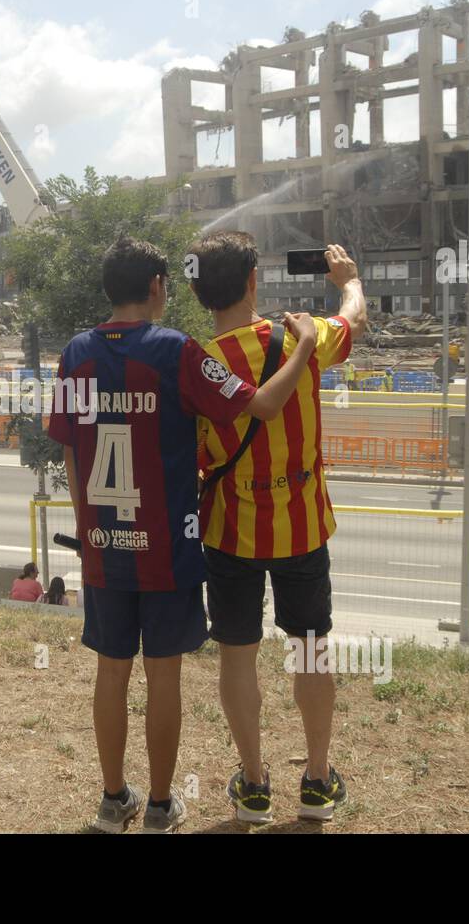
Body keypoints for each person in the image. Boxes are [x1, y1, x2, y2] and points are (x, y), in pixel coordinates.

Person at [48, 237, 317, 834]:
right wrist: (301, 348)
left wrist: (90, 526)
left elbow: (69, 450)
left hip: (103, 546)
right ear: (156, 288)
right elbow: (265, 405)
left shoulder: (73, 355)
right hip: (166, 547)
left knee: (111, 671)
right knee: (162, 672)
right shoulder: (178, 353)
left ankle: (113, 799)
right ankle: (163, 806)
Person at [188, 233, 367, 823]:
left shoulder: (200, 364)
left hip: (228, 534)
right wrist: (348, 281)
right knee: (310, 650)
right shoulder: (302, 337)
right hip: (302, 528)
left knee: (237, 657)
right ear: (253, 281)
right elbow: (354, 321)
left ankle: (255, 784)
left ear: (198, 292)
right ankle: (316, 780)